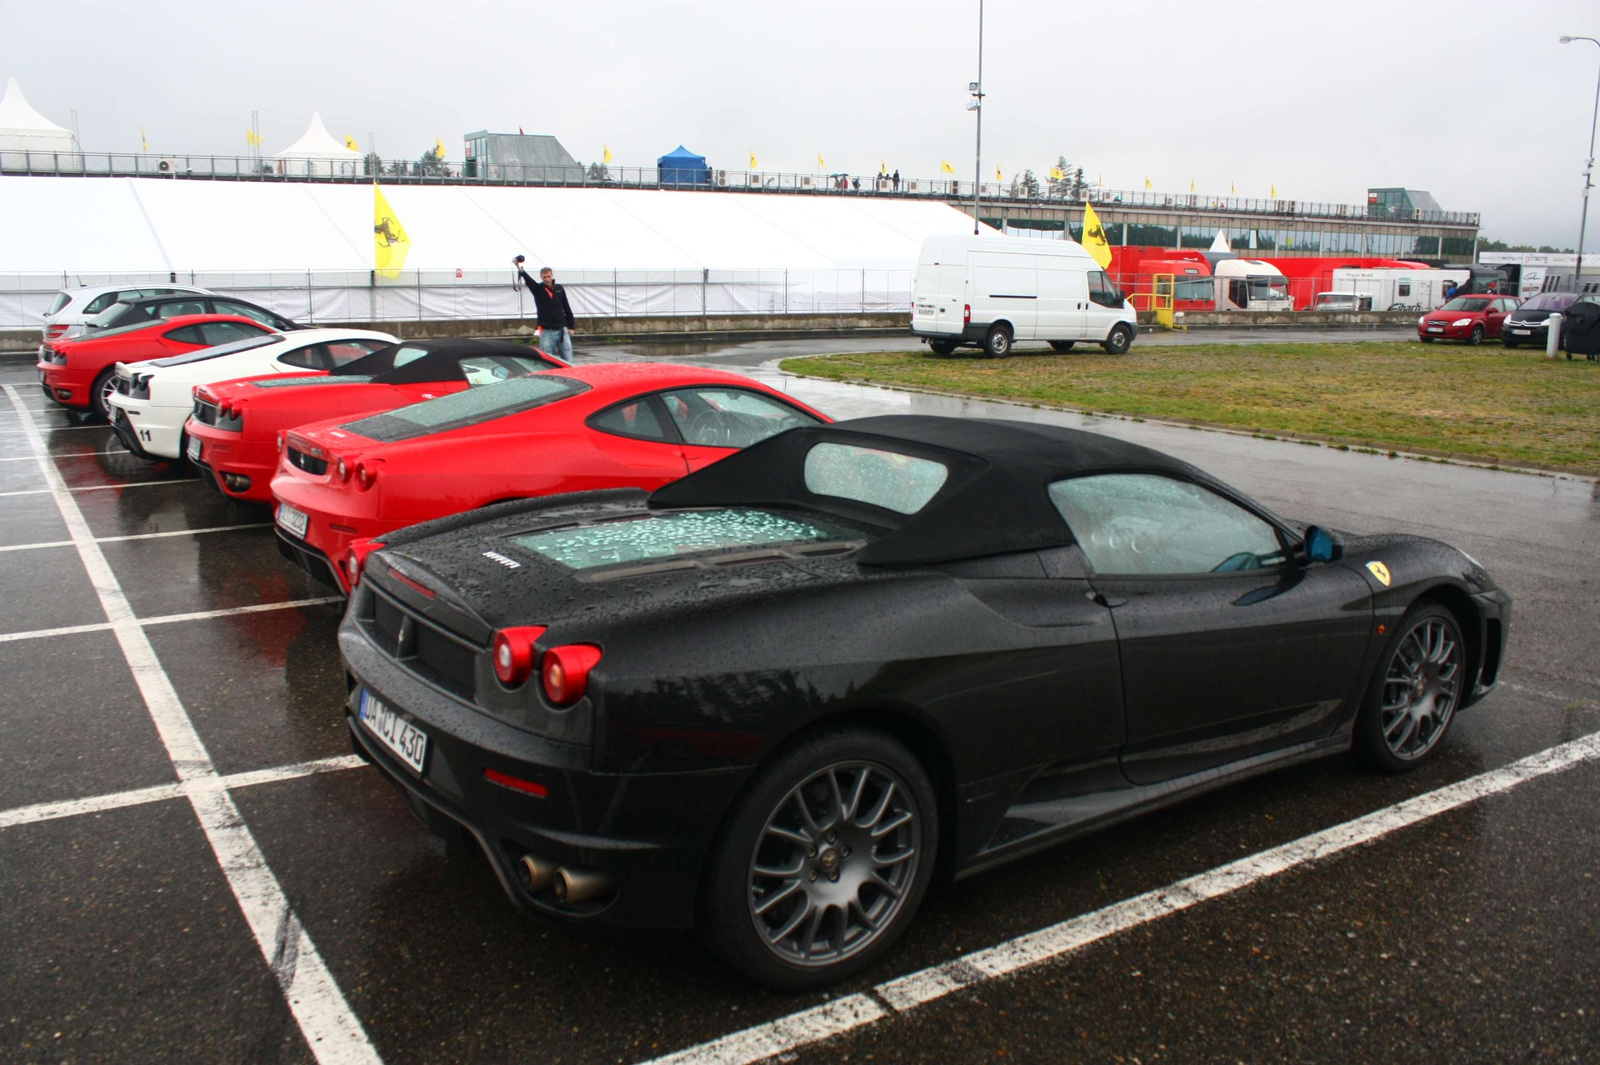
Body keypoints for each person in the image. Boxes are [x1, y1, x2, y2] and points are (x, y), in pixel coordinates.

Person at [515, 262, 577, 360]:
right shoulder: (538, 289)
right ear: (541, 277)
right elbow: (529, 281)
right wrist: (519, 268)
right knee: (548, 359)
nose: (547, 279)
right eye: (544, 277)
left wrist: (572, 326)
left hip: (562, 330)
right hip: (546, 331)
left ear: (552, 275)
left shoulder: (559, 288)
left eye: (548, 276)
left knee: (568, 357)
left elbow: (566, 307)